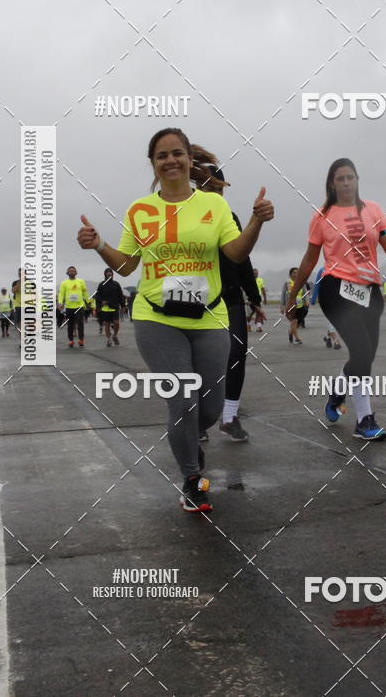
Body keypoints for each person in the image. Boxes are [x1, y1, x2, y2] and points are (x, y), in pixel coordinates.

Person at [77, 127, 274, 513]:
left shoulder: (214, 207)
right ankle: (191, 478)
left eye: (177, 153)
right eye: (162, 155)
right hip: (156, 318)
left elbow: (235, 253)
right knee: (182, 400)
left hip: (209, 316)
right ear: (153, 163)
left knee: (211, 408)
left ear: (188, 159)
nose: (170, 160)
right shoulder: (140, 210)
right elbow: (128, 265)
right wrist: (100, 244)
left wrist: (256, 221)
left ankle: (192, 434)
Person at [286, 158, 386, 440]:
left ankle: (337, 394)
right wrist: (294, 293)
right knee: (360, 353)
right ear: (332, 184)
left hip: (370, 290)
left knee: (365, 357)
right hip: (336, 288)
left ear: (358, 180)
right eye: (340, 179)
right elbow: (310, 258)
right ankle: (364, 420)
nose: (346, 183)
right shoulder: (321, 216)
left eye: (350, 177)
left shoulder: (374, 209)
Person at [192, 144, 264, 443]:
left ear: (222, 188)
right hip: (196, 301)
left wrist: (255, 299)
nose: (208, 191)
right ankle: (196, 421)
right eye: (202, 185)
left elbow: (241, 259)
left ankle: (230, 417)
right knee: (199, 363)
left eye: (213, 186)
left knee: (235, 357)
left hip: (230, 297)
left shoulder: (229, 216)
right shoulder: (187, 217)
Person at [57, 266, 90, 347]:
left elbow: (85, 292)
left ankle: (81, 339)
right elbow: (61, 294)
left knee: (80, 323)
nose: (71, 272)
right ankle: (71, 340)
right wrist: (60, 302)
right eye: (70, 271)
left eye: (73, 271)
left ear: (76, 272)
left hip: (79, 306)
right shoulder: (64, 283)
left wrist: (88, 301)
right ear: (67, 273)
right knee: (70, 324)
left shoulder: (81, 281)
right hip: (69, 307)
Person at [311, 267, 341, 349]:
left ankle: (327, 337)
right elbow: (317, 284)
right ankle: (335, 341)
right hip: (326, 298)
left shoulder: (342, 267)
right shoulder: (322, 270)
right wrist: (313, 298)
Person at [96, 268, 126, 346]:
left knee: (116, 323)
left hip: (115, 306)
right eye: (107, 273)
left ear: (112, 274)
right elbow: (97, 295)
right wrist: (101, 302)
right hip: (105, 308)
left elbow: (120, 295)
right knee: (107, 324)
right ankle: (108, 340)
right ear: (105, 274)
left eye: (110, 273)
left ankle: (115, 335)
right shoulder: (101, 284)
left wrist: (123, 305)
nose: (109, 274)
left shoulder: (116, 284)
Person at [280, 268, 308, 345]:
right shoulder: (287, 283)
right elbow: (283, 295)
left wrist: (306, 301)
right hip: (290, 306)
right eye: (294, 273)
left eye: (297, 273)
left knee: (298, 323)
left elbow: (305, 292)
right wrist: (282, 306)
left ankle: (290, 332)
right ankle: (297, 338)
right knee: (294, 321)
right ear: (290, 274)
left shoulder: (301, 282)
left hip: (300, 305)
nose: (296, 274)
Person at [11, 269, 22, 339]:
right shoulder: (15, 282)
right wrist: (20, 282)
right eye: (19, 274)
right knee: (21, 325)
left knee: (31, 326)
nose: (21, 275)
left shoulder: (31, 283)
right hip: (19, 306)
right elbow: (13, 291)